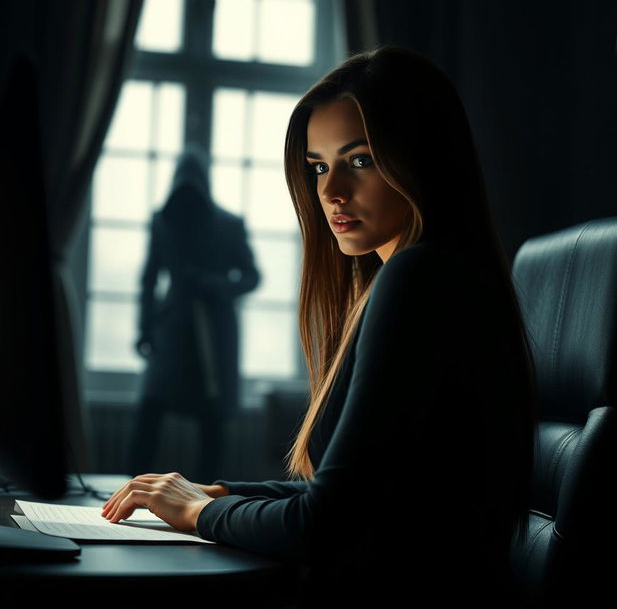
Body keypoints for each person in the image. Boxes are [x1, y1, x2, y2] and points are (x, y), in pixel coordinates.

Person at [104, 46, 537, 607]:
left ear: (423, 158)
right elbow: (358, 494)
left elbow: (326, 524)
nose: (331, 190)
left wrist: (199, 511)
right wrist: (222, 493)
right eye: (317, 166)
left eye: (360, 160)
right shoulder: (438, 274)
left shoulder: (419, 277)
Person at [127, 147, 260, 484]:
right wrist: (144, 327)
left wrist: (214, 284)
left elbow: (251, 276)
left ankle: (203, 503)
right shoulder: (163, 221)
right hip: (171, 330)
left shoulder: (230, 225)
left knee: (212, 421)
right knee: (150, 409)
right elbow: (148, 278)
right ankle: (129, 488)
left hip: (214, 335)